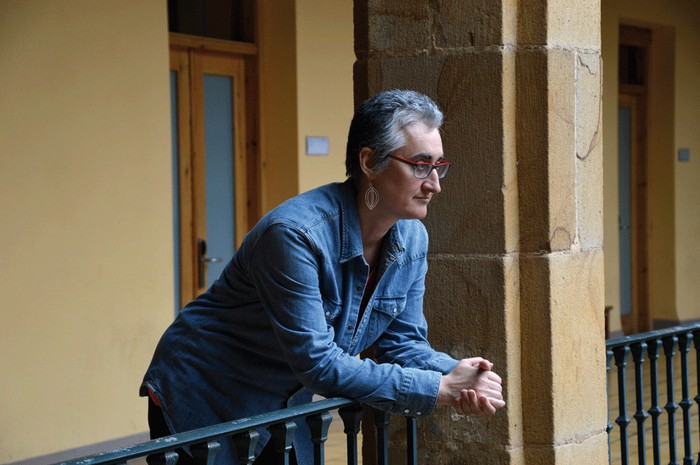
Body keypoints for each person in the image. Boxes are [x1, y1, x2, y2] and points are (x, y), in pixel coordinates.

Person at [140, 89, 505, 465]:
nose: (435, 184)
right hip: (203, 391)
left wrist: (457, 373)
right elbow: (317, 361)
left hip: (282, 401)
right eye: (419, 165)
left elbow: (402, 344)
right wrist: (436, 389)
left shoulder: (412, 239)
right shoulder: (295, 235)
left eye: (438, 166)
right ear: (370, 162)